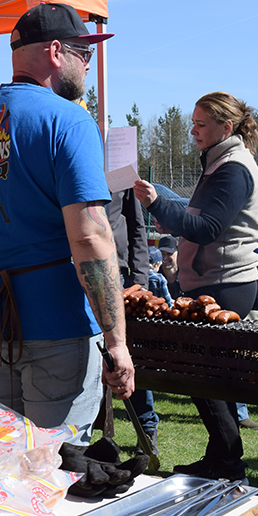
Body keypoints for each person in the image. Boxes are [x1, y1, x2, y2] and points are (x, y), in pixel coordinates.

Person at [0, 2, 134, 444]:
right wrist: (116, 340)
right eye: (84, 53)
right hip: (57, 330)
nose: (88, 65)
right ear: (57, 52)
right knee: (54, 467)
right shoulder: (70, 121)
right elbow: (90, 236)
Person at [134, 91, 258, 481]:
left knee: (200, 376)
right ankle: (221, 458)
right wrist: (174, 218)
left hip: (224, 284)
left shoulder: (232, 168)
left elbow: (209, 229)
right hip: (214, 279)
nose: (193, 131)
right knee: (204, 377)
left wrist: (158, 204)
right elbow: (202, 220)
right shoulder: (220, 163)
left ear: (226, 127)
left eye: (201, 124)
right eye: (193, 123)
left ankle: (228, 464)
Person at [109, 189, 158, 455]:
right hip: (68, 268)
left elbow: (136, 225)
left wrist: (140, 279)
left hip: (116, 274)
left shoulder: (118, 169)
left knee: (128, 355)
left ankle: (147, 428)